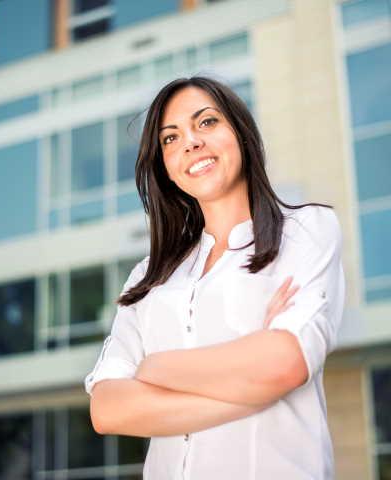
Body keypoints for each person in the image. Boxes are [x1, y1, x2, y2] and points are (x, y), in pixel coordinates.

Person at [85, 76, 345, 479]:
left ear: (241, 133)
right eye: (170, 139)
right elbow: (108, 409)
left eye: (206, 122)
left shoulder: (307, 230)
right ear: (166, 168)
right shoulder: (148, 279)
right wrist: (252, 391)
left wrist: (155, 368)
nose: (190, 142)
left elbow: (285, 365)